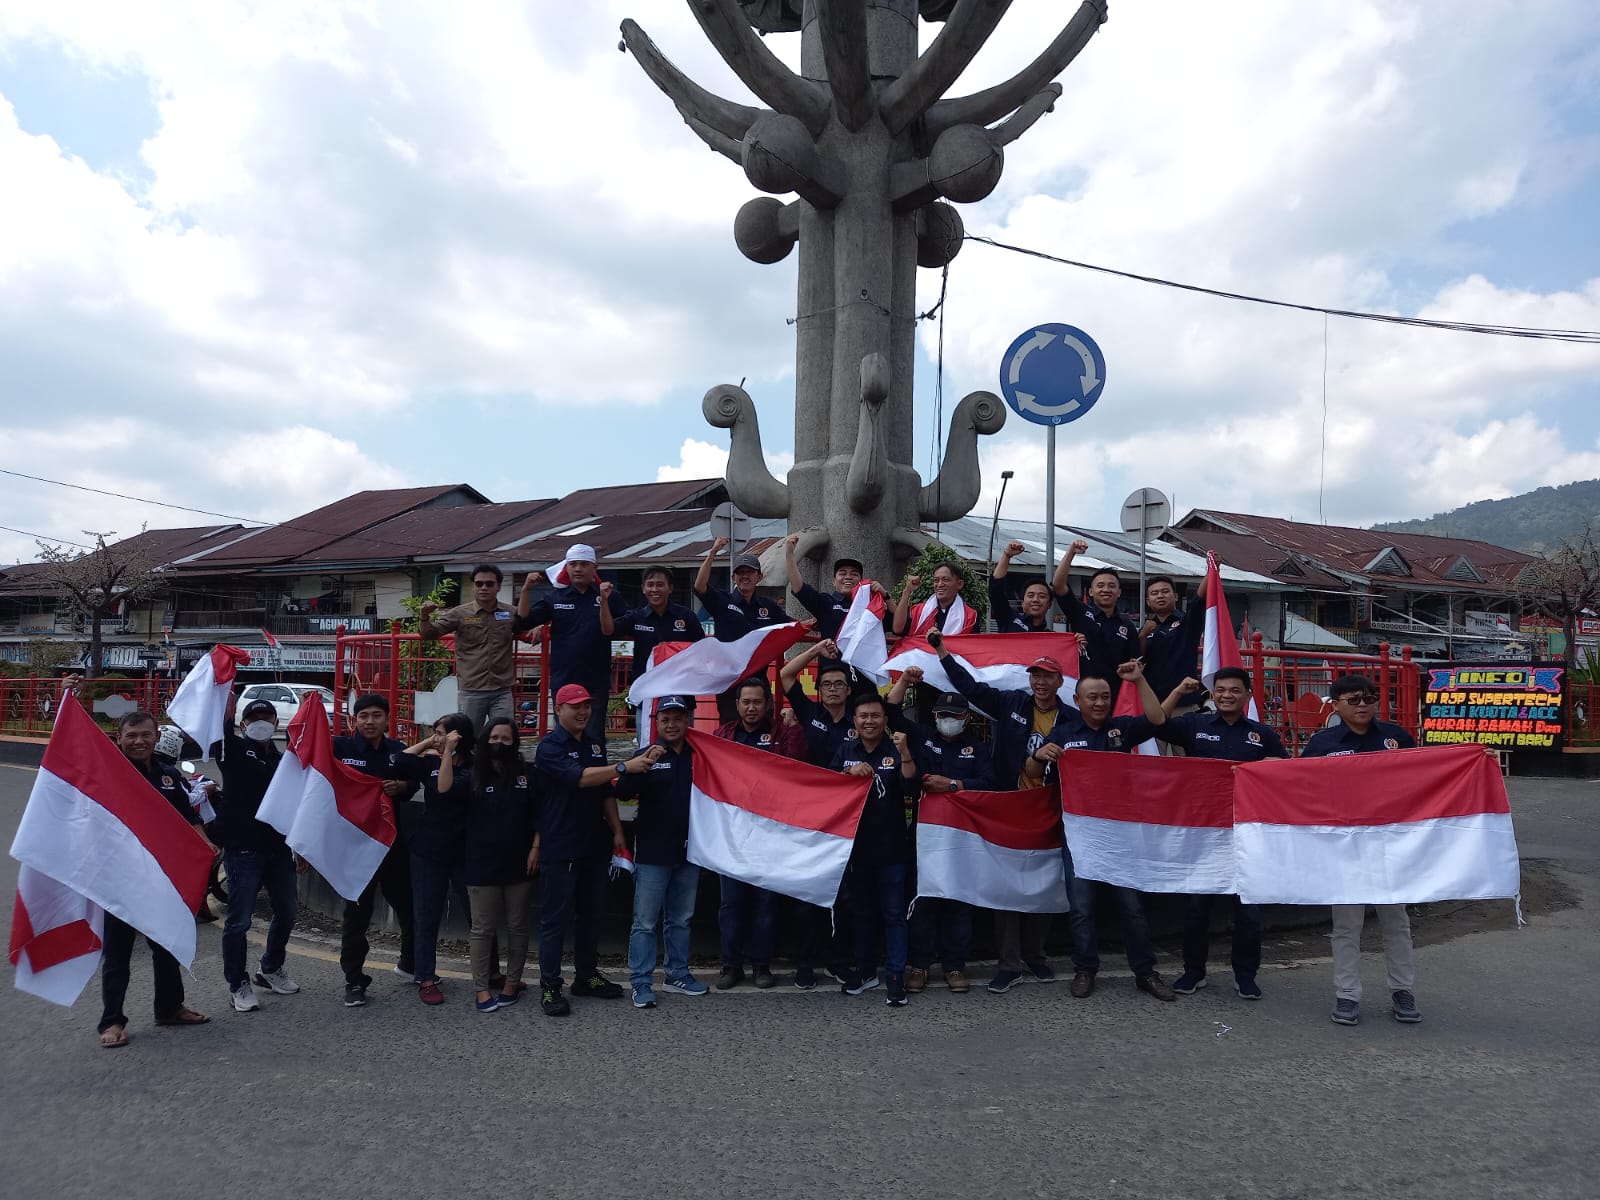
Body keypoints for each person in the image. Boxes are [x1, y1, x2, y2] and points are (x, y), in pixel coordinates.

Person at [930, 632, 1076, 992]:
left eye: (1048, 676)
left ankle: (1036, 956)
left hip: (1050, 810)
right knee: (1006, 885)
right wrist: (941, 651)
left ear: (1060, 682)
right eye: (1035, 676)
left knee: (1044, 883)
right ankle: (1008, 964)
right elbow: (970, 686)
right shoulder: (1011, 703)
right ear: (1029, 680)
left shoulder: (1073, 719)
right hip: (1009, 806)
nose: (1040, 682)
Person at [1024, 661, 1177, 1003]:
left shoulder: (1122, 729)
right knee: (1081, 906)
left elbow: (1157, 720)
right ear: (1077, 701)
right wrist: (1040, 753)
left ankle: (1146, 972)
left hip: (1120, 834)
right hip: (1078, 834)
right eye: (1091, 697)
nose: (1099, 702)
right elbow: (1033, 769)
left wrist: (1138, 680)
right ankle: (1085, 969)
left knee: (1132, 907)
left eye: (1105, 696)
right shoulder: (1063, 732)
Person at [1156, 669, 1288, 1000]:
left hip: (1246, 834)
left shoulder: (1262, 735)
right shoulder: (1195, 726)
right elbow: (1156, 721)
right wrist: (1176, 690)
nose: (1226, 695)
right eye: (1220, 690)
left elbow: (1287, 775)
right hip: (1202, 832)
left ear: (1247, 695)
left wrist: (1273, 766)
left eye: (1234, 690)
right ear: (1212, 694)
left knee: (1248, 912)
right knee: (1196, 908)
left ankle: (1245, 976)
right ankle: (1193, 972)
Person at [531, 683, 659, 1017]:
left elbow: (604, 792)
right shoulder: (549, 748)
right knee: (555, 919)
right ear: (559, 710)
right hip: (561, 844)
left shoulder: (594, 744)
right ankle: (549, 986)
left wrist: (617, 830)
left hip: (594, 843)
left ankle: (586, 976)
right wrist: (623, 768)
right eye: (575, 707)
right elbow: (581, 778)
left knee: (591, 915)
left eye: (587, 706)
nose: (583, 712)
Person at [1302, 674, 1422, 1027]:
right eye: (1353, 700)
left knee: (1397, 923)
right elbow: (1298, 784)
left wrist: (1477, 758)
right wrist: (1260, 772)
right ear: (1335, 705)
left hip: (1390, 845)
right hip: (1344, 848)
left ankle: (1403, 991)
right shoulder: (1322, 744)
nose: (1362, 705)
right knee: (1346, 926)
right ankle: (1347, 995)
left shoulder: (1397, 738)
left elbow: (1427, 775)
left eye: (1368, 698)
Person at [98, 707, 217, 1047]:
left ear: (156, 738)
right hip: (119, 878)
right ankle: (112, 1022)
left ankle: (169, 1008)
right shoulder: (109, 772)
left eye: (146, 735)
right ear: (118, 739)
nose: (139, 741)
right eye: (131, 736)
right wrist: (68, 697)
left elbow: (186, 814)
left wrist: (204, 840)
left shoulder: (168, 774)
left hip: (160, 878)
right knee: (118, 954)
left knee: (166, 946)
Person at [885, 675, 993, 994]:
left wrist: (954, 785)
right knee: (925, 902)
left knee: (959, 903)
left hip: (963, 838)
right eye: (942, 716)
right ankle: (919, 965)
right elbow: (890, 711)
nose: (948, 721)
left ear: (967, 718)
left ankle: (955, 965)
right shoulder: (922, 737)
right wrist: (905, 679)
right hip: (926, 838)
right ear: (934, 718)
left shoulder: (978, 748)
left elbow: (992, 782)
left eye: (955, 716)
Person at [713, 676, 807, 990]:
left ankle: (762, 966)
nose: (751, 707)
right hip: (733, 836)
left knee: (765, 904)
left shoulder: (781, 733)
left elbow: (796, 767)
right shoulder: (723, 735)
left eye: (757, 701)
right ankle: (730, 965)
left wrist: (793, 727)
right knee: (731, 904)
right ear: (737, 704)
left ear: (767, 703)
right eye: (745, 702)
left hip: (770, 834)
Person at [617, 696, 709, 1009]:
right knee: (644, 921)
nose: (672, 724)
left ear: (688, 720)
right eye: (665, 719)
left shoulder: (701, 754)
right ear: (657, 722)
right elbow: (623, 793)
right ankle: (641, 982)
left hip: (689, 851)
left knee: (681, 919)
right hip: (652, 853)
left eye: (678, 718)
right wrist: (639, 768)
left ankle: (677, 974)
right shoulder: (646, 754)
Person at [777, 637, 858, 988]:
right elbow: (785, 676)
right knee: (806, 895)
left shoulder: (862, 719)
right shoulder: (810, 713)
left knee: (844, 896)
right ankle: (805, 962)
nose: (833, 689)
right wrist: (814, 651)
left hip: (849, 818)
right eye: (826, 684)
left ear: (848, 689)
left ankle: (838, 961)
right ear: (819, 690)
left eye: (839, 684)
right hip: (810, 817)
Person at [213, 698, 302, 1014]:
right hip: (242, 849)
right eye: (254, 717)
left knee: (288, 911)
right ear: (243, 724)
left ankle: (271, 968)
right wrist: (223, 706)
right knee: (239, 921)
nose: (261, 721)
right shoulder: (233, 751)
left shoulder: (283, 760)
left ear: (277, 724)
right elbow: (218, 732)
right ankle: (238, 984)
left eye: (268, 716)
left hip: (278, 848)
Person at [831, 694, 920, 1006]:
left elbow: (911, 788)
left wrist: (906, 754)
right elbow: (826, 788)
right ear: (854, 721)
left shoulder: (895, 751)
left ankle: (895, 977)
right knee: (861, 914)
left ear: (885, 720)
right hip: (855, 851)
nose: (869, 721)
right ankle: (866, 971)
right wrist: (846, 775)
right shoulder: (845, 751)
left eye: (875, 716)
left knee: (894, 915)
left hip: (893, 848)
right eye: (863, 716)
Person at [333, 693, 419, 1008]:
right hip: (356, 848)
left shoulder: (398, 752)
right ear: (354, 720)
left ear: (387, 720)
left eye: (377, 716)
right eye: (364, 716)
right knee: (356, 918)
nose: (370, 721)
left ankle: (411, 964)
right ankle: (354, 981)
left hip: (392, 846)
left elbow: (415, 781)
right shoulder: (339, 749)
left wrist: (404, 788)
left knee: (410, 910)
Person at [400, 713, 488, 1008]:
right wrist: (431, 742)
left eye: (441, 733)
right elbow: (399, 760)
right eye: (434, 732)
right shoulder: (430, 762)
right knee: (426, 916)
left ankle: (492, 973)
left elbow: (445, 787)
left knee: (479, 916)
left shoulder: (475, 768)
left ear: (458, 737)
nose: (436, 738)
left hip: (465, 851)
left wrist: (447, 752)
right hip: (428, 851)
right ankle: (425, 977)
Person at [517, 543, 629, 741]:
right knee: (565, 737)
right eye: (573, 564)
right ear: (566, 568)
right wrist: (526, 590)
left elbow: (628, 622)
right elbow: (525, 620)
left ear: (594, 568)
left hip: (596, 679)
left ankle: (596, 771)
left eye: (584, 564)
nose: (578, 569)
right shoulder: (554, 598)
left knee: (594, 736)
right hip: (564, 678)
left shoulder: (609, 596)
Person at [463, 718, 537, 1013]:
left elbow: (539, 813)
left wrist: (536, 848)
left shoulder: (527, 774)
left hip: (521, 863)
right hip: (481, 863)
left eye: (507, 739)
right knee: (482, 929)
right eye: (494, 737)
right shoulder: (471, 774)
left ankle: (512, 982)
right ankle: (481, 988)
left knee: (518, 927)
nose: (500, 743)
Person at [419, 564, 522, 733]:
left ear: (498, 587)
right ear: (474, 586)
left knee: (503, 737)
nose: (483, 588)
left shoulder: (510, 612)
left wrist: (536, 628)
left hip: (502, 690)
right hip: (472, 690)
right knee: (468, 738)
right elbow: (429, 634)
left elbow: (527, 626)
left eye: (489, 584)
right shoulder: (459, 613)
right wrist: (424, 616)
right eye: (479, 584)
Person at [1051, 538, 1140, 682]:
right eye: (1100, 585)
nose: (1106, 590)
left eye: (1111, 586)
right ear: (1091, 591)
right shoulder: (1081, 613)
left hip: (1116, 694)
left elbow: (1135, 661)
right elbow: (1058, 585)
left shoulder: (1127, 626)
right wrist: (1071, 551)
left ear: (1119, 592)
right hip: (1084, 692)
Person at [784, 533, 883, 640]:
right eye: (842, 573)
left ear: (861, 581)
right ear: (834, 581)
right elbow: (799, 589)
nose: (848, 577)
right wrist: (789, 555)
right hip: (832, 656)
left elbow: (897, 626)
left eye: (854, 574)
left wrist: (885, 595)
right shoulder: (826, 602)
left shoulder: (871, 605)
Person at [618, 565, 704, 688]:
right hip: (645, 688)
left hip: (679, 687)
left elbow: (701, 648)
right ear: (643, 588)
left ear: (670, 588)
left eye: (660, 585)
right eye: (650, 585)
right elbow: (609, 630)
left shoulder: (686, 616)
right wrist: (604, 600)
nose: (654, 589)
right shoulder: (636, 617)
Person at [1140, 574, 1208, 728]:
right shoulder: (1145, 629)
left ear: (1175, 596)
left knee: (1184, 751)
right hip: (1152, 705)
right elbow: (1137, 660)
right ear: (1148, 601)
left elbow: (1199, 600)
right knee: (1153, 752)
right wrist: (1143, 635)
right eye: (1154, 593)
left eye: (1165, 591)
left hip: (1183, 704)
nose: (1160, 596)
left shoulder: (1187, 623)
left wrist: (1213, 568)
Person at [891, 562, 977, 637]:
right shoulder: (918, 611)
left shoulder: (970, 617)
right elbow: (897, 629)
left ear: (959, 584)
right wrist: (907, 592)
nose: (940, 584)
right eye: (936, 580)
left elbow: (969, 648)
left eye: (945, 580)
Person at [989, 540, 1056, 633]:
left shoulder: (1052, 638)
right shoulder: (1009, 619)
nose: (1035, 600)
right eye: (1030, 595)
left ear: (1049, 604)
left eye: (1042, 596)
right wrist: (1007, 555)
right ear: (1022, 602)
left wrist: (1078, 641)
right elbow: (995, 590)